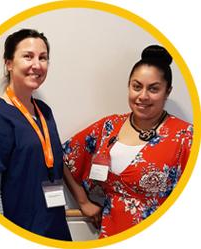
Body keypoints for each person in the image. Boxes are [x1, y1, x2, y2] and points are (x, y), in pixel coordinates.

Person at [63, 45, 193, 238]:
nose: (143, 96)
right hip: (111, 233)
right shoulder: (109, 127)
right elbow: (65, 155)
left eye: (154, 89)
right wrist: (84, 202)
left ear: (167, 91)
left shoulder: (185, 136)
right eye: (137, 86)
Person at [0, 29, 72, 241]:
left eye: (43, 58)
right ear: (8, 63)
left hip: (55, 226)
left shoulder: (44, 111)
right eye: (28, 56)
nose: (37, 64)